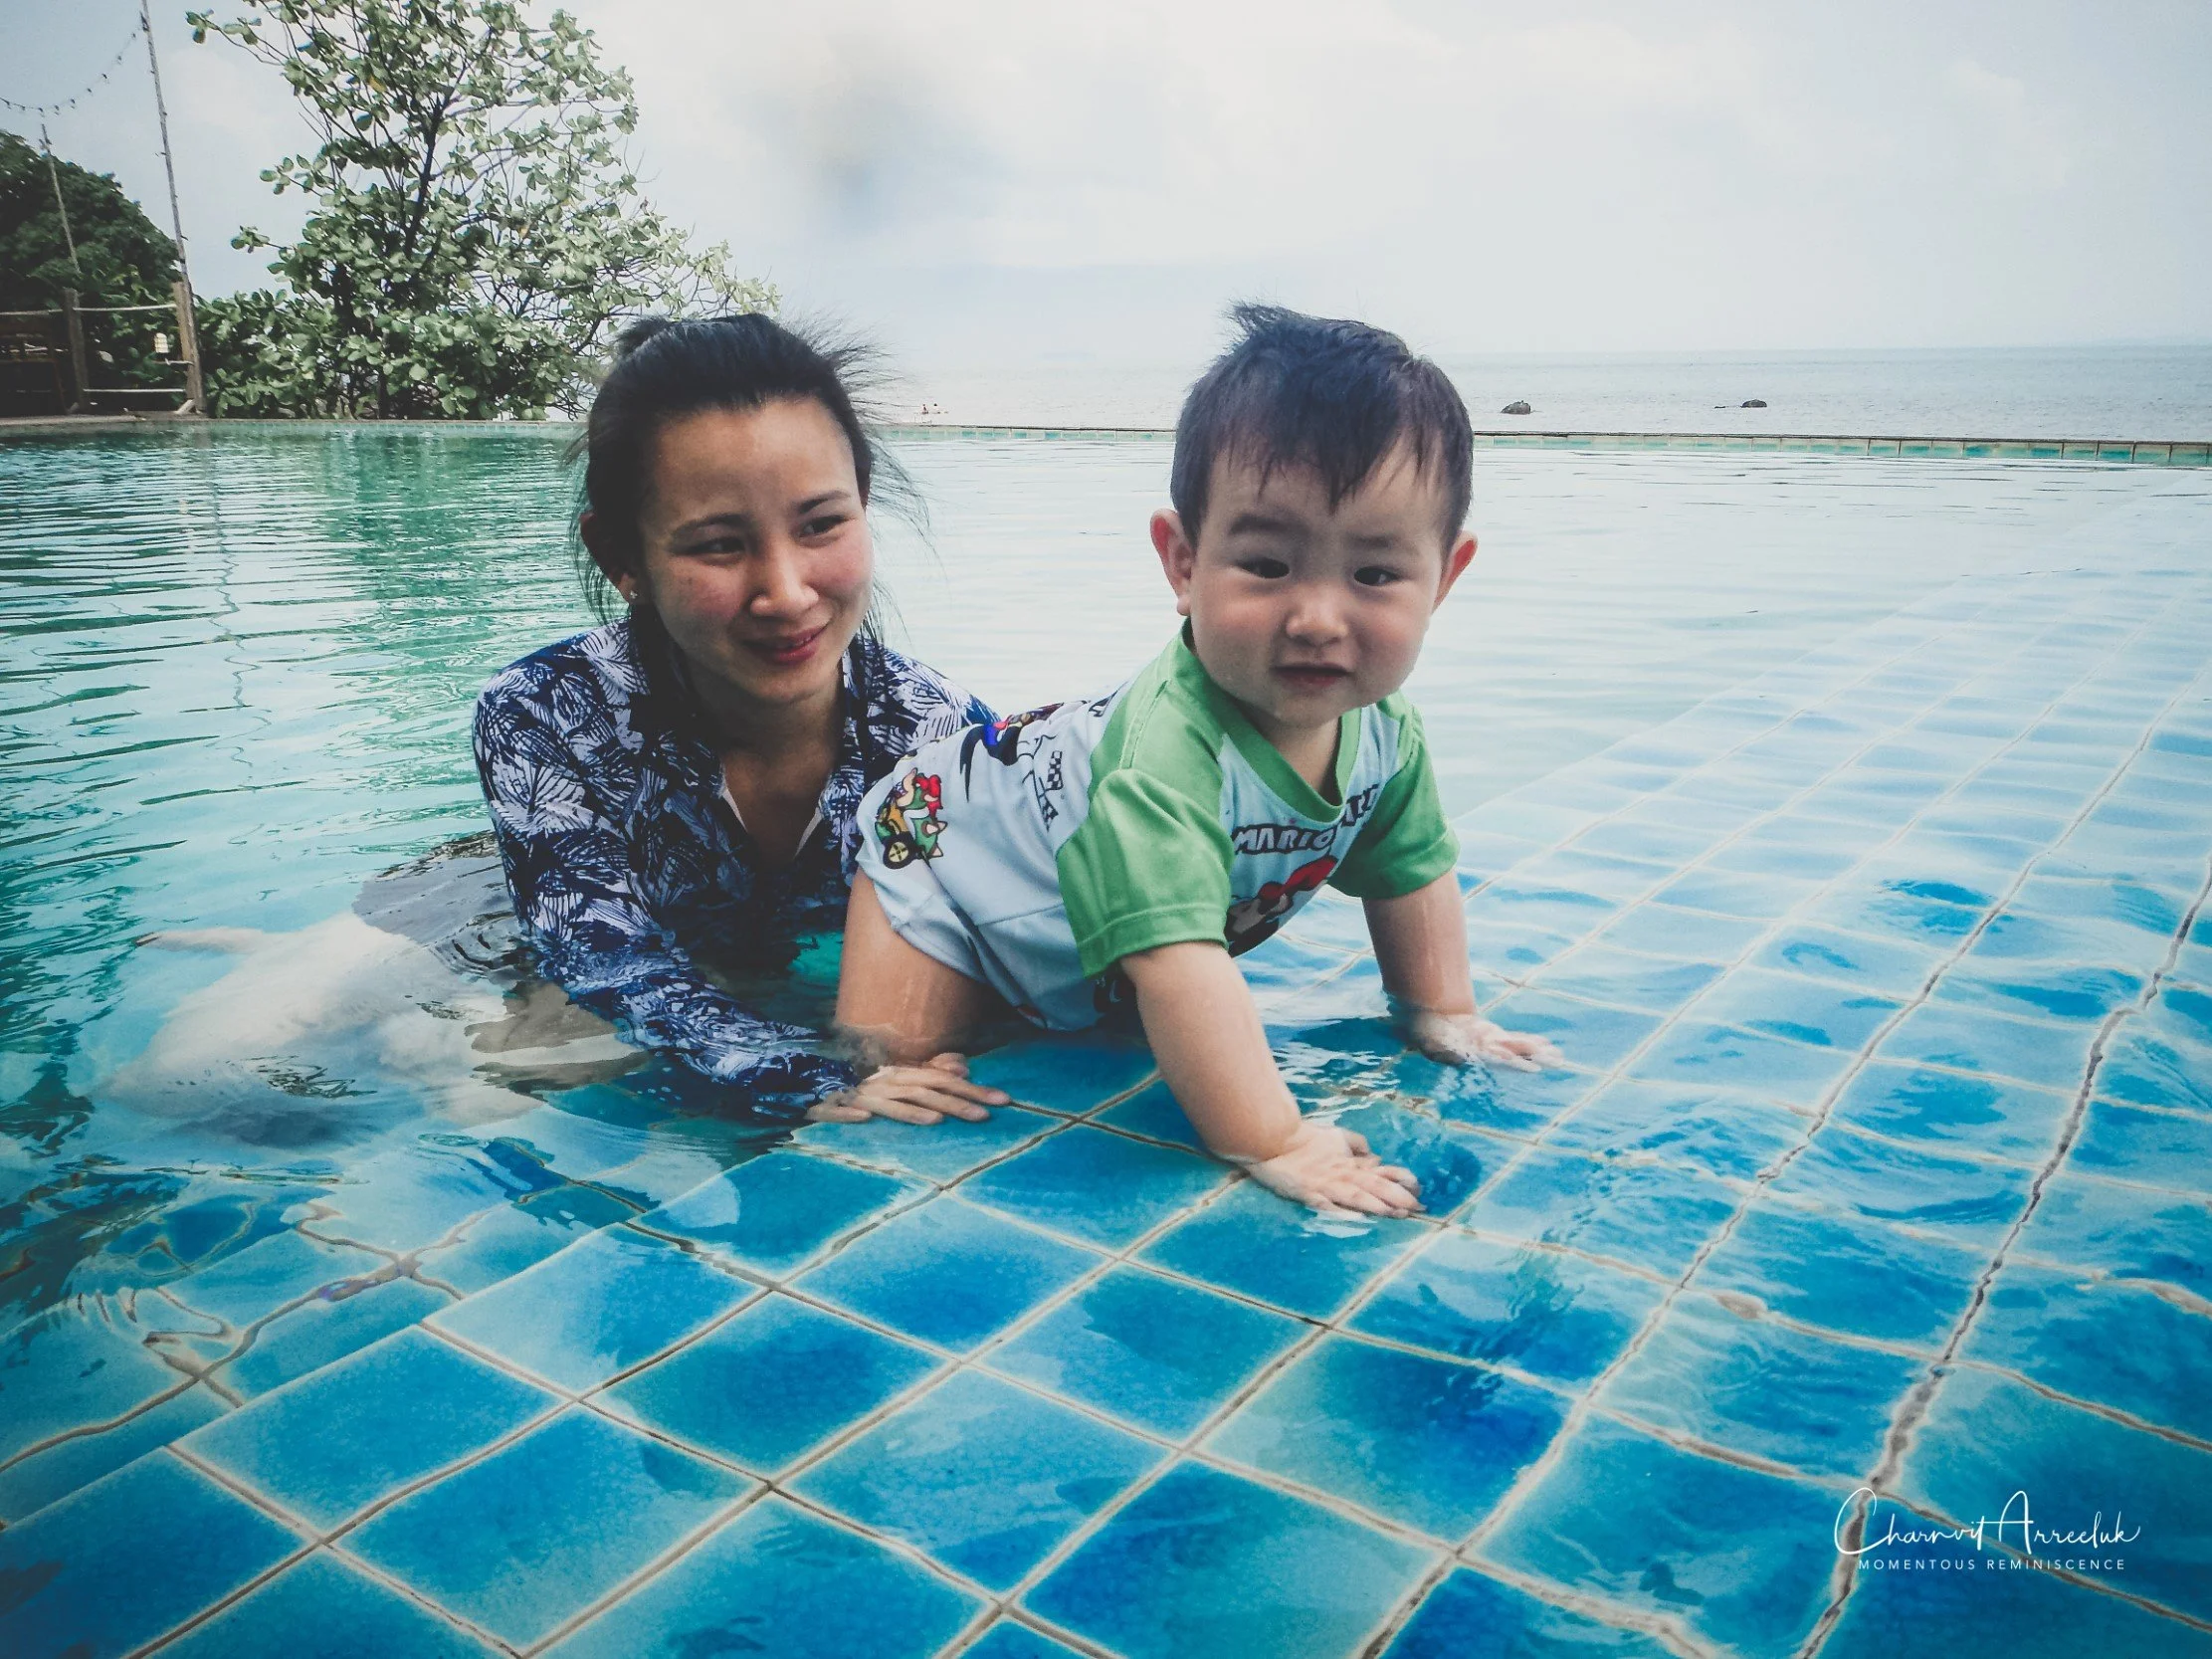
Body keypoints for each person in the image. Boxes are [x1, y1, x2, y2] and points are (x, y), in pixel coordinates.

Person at [836, 306, 1563, 1215]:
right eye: (1267, 564)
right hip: (938, 860)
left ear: (1444, 579)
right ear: (1183, 562)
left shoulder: (1386, 732)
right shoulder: (1162, 760)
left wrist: (1441, 1012)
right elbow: (1180, 964)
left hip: (1056, 905)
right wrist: (1275, 1137)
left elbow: (1411, 875)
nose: (1317, 618)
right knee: (900, 1072)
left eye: (1374, 575)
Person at [474, 313, 1010, 1127]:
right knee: (504, 1071)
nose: (787, 594)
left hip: (737, 963)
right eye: (720, 545)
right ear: (621, 558)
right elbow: (599, 954)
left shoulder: (939, 736)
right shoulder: (544, 715)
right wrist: (806, 1077)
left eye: (821, 524)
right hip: (487, 898)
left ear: (863, 505)